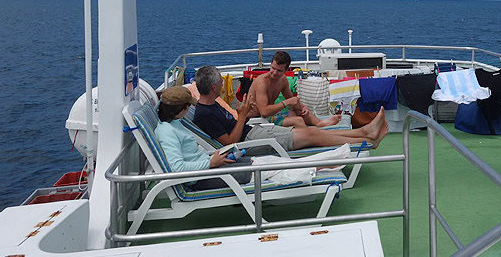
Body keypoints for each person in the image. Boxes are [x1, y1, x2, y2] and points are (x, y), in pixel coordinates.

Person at [192, 65, 389, 151]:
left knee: (311, 131)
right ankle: (367, 140)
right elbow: (229, 144)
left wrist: (245, 115)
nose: (220, 83)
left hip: (255, 131)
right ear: (214, 87)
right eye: (219, 81)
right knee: (312, 136)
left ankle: (365, 132)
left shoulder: (210, 105)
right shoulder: (204, 113)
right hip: (249, 142)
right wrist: (242, 116)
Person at [154, 85, 252, 190]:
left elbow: (191, 156)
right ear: (182, 107)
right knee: (265, 170)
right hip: (199, 179)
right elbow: (177, 169)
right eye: (188, 105)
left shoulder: (175, 123)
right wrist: (210, 163)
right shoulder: (167, 132)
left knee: (253, 162)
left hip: (205, 170)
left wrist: (211, 159)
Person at [247, 51, 342, 128]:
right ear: (271, 64)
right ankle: (311, 137)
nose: (274, 73)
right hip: (256, 119)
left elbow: (293, 100)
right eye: (273, 68)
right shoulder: (262, 83)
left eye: (279, 71)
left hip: (269, 116)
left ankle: (319, 123)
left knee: (297, 110)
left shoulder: (282, 80)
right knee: (298, 120)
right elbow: (264, 112)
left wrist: (303, 107)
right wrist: (286, 102)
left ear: (286, 70)